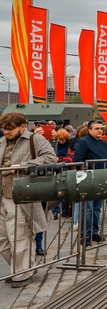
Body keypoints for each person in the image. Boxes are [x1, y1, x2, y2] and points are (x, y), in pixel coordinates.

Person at [0, 113, 56, 287]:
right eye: (4, 128)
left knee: (19, 236)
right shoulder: (2, 141)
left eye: (9, 129)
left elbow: (50, 158)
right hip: (3, 195)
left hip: (22, 195)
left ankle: (22, 273)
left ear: (22, 127)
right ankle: (22, 269)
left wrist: (22, 166)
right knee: (3, 239)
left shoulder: (35, 139)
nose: (6, 132)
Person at [73, 120, 107, 245]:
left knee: (97, 209)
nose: (100, 130)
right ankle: (85, 235)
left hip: (101, 180)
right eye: (97, 128)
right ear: (89, 130)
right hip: (87, 180)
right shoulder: (82, 142)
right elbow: (78, 161)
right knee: (87, 209)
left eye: (101, 128)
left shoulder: (104, 144)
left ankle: (94, 232)